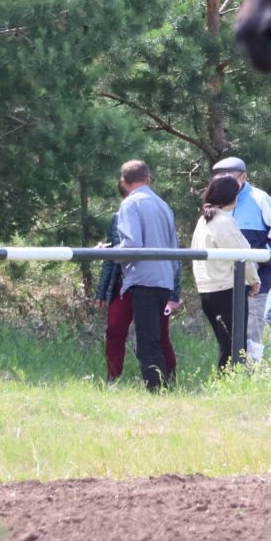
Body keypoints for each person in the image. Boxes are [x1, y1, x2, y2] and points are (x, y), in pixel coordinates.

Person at [210, 156, 271, 361]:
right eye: (219, 179)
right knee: (227, 336)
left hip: (256, 283)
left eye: (230, 179)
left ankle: (251, 379)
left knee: (252, 335)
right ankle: (231, 378)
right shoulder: (216, 202)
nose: (225, 184)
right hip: (225, 283)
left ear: (244, 177)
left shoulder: (260, 198)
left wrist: (260, 259)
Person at [114, 159, 182, 391]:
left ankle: (157, 389)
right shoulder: (163, 205)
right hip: (164, 279)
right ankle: (164, 386)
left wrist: (110, 253)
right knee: (156, 338)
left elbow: (132, 244)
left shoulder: (130, 205)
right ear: (148, 178)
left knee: (146, 341)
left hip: (144, 280)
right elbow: (174, 248)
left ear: (124, 182)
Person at [189, 174, 253, 372]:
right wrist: (253, 279)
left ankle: (230, 384)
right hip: (227, 289)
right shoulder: (223, 221)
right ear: (232, 196)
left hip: (207, 290)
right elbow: (243, 254)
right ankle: (229, 385)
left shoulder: (204, 220)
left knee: (227, 344)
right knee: (234, 346)